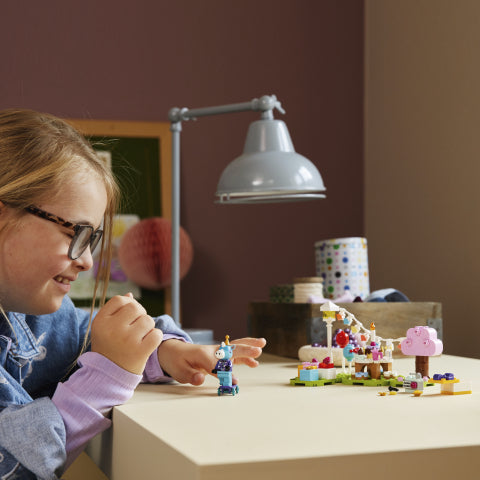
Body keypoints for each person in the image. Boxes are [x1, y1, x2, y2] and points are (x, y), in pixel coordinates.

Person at [0, 109, 266, 479]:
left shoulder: (32, 318)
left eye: (91, 240)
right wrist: (108, 377)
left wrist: (163, 350)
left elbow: (91, 335)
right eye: (76, 233)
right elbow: (13, 466)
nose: (87, 262)